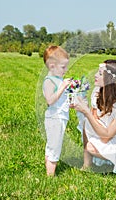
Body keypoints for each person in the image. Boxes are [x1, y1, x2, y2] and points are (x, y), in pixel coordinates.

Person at [42, 45, 72, 176]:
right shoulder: (49, 81)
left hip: (60, 117)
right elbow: (50, 100)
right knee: (54, 147)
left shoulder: (58, 79)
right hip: (54, 118)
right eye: (63, 67)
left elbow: (61, 99)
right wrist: (62, 87)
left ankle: (49, 172)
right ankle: (50, 177)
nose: (66, 70)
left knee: (53, 145)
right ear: (52, 66)